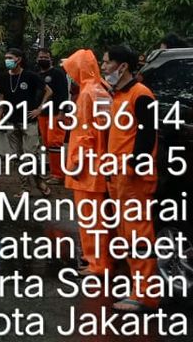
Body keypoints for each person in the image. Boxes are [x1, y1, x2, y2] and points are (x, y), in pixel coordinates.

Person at [103, 44, 160, 313]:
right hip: (121, 178)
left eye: (107, 63)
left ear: (122, 66)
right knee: (128, 235)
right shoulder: (120, 96)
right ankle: (139, 287)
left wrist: (132, 166)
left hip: (133, 178)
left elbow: (148, 135)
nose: (104, 68)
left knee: (138, 235)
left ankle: (146, 294)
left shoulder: (140, 94)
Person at [62, 49, 112, 277]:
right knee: (101, 218)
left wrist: (76, 161)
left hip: (87, 168)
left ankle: (97, 263)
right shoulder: (101, 89)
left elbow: (87, 133)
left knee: (92, 219)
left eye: (72, 70)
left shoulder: (86, 94)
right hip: (100, 164)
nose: (71, 75)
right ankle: (100, 259)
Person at [0, 48, 49, 196]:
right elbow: (2, 100)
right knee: (18, 157)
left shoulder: (30, 76)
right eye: (6, 57)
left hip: (29, 121)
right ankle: (24, 188)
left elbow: (48, 91)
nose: (7, 60)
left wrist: (40, 108)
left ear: (18, 59)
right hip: (11, 121)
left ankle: (39, 180)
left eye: (10, 57)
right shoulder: (3, 78)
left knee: (30, 154)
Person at [33, 49, 69, 183]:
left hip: (56, 113)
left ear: (50, 59)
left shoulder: (58, 73)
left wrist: (62, 112)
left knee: (55, 143)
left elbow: (64, 94)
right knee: (48, 144)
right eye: (40, 56)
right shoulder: (38, 75)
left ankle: (59, 175)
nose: (42, 59)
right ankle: (54, 172)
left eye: (45, 56)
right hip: (42, 114)